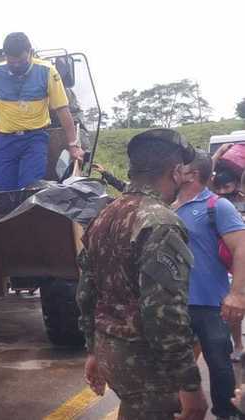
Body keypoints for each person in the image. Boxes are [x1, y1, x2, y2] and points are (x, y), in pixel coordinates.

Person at [77, 128, 207, 420]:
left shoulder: (105, 215)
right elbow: (165, 314)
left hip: (111, 352)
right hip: (147, 364)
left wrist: (93, 350)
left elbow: (86, 291)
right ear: (175, 172)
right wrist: (189, 386)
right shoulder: (161, 224)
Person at [0, 32, 84, 192]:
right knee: (0, 192)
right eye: (11, 62)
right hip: (6, 141)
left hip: (35, 139)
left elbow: (63, 110)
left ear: (30, 51)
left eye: (21, 62)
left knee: (30, 190)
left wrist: (73, 145)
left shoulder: (47, 71)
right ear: (4, 55)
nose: (16, 66)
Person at [174, 151, 245, 419]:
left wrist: (237, 294)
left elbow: (241, 247)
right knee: (174, 363)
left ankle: (227, 413)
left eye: (180, 166)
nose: (174, 169)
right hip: (174, 304)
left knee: (219, 363)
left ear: (192, 174)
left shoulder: (217, 206)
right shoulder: (167, 207)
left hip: (210, 303)